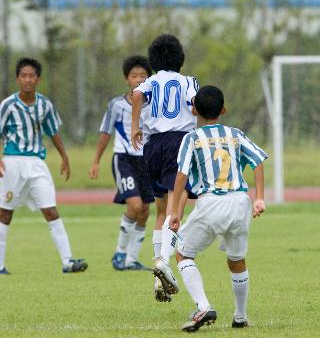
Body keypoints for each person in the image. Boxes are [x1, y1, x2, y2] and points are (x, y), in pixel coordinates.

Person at [169, 85, 268, 332]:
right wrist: (260, 198)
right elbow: (257, 162)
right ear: (223, 109)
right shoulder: (235, 134)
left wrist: (174, 212)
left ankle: (203, 306)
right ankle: (240, 316)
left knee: (183, 253)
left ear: (194, 111)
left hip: (211, 201)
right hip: (240, 201)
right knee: (236, 260)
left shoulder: (191, 138)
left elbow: (181, 176)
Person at [0, 57, 88, 274]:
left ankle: (68, 262)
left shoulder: (45, 105)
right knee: (4, 213)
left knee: (50, 210)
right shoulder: (8, 105)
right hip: (12, 163)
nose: (27, 80)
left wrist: (64, 157)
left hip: (37, 164)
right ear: (18, 79)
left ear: (38, 79)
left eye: (32, 76)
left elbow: (53, 132)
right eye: (23, 76)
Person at [131, 34, 199, 301]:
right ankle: (163, 263)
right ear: (180, 59)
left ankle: (160, 272)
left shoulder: (149, 81)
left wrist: (136, 126)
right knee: (176, 208)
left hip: (152, 146)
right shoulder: (187, 81)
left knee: (161, 211)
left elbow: (137, 95)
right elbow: (196, 106)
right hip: (179, 143)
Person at [89, 55, 154, 271]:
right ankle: (119, 253)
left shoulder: (154, 104)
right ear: (127, 78)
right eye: (134, 75)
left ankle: (131, 259)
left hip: (146, 161)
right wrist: (96, 161)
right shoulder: (117, 105)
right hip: (124, 159)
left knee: (144, 210)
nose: (138, 79)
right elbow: (105, 133)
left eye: (143, 76)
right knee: (134, 205)